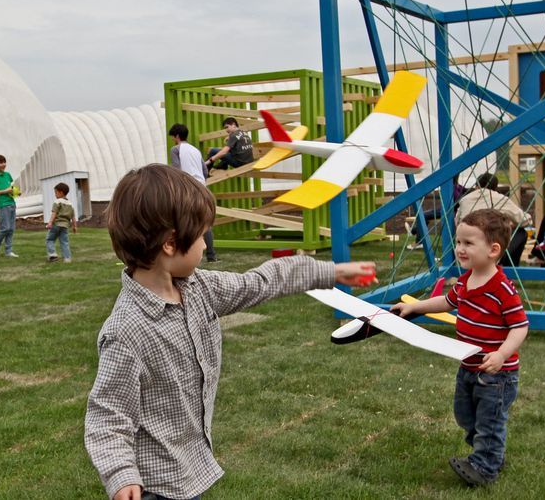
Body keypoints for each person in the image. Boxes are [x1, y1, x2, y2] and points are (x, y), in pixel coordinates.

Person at [84, 164, 375, 500]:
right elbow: (108, 414)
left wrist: (331, 271)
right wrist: (121, 475)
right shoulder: (125, 332)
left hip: (189, 470)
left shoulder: (198, 289)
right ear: (170, 244)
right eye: (202, 236)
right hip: (154, 486)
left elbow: (262, 282)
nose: (207, 245)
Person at [391, 209, 529, 487]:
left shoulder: (502, 289)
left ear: (493, 250)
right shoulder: (466, 281)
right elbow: (447, 302)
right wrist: (415, 306)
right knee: (466, 416)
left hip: (496, 374)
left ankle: (485, 467)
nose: (460, 249)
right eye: (459, 242)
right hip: (467, 365)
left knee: (490, 422)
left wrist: (501, 354)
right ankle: (490, 451)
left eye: (468, 243)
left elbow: (520, 326)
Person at [455, 173, 533, 266]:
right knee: (521, 232)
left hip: (467, 243)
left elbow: (457, 222)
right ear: (495, 188)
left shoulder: (465, 199)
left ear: (476, 185)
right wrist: (510, 225)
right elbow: (525, 220)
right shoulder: (499, 198)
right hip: (489, 244)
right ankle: (511, 269)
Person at [169, 123, 218, 262]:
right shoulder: (195, 150)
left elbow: (177, 170)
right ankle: (211, 254)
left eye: (173, 137)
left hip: (187, 188)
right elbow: (204, 171)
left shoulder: (175, 149)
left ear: (177, 136)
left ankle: (182, 253)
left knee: (181, 220)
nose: (173, 139)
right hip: (202, 187)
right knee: (204, 222)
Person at [0, 154, 18, 258]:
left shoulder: (8, 175)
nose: (3, 164)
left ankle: (8, 251)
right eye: (1, 162)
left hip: (11, 203)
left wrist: (16, 192)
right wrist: (5, 191)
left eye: (4, 162)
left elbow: (11, 188)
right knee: (5, 228)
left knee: (11, 229)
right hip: (2, 204)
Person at [46, 182, 78, 263]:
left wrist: (50, 222)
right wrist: (74, 227)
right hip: (65, 226)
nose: (55, 194)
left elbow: (54, 213)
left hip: (56, 224)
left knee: (50, 239)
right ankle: (67, 258)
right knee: (64, 242)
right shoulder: (70, 204)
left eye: (56, 192)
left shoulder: (57, 202)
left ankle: (52, 255)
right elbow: (73, 217)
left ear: (61, 192)